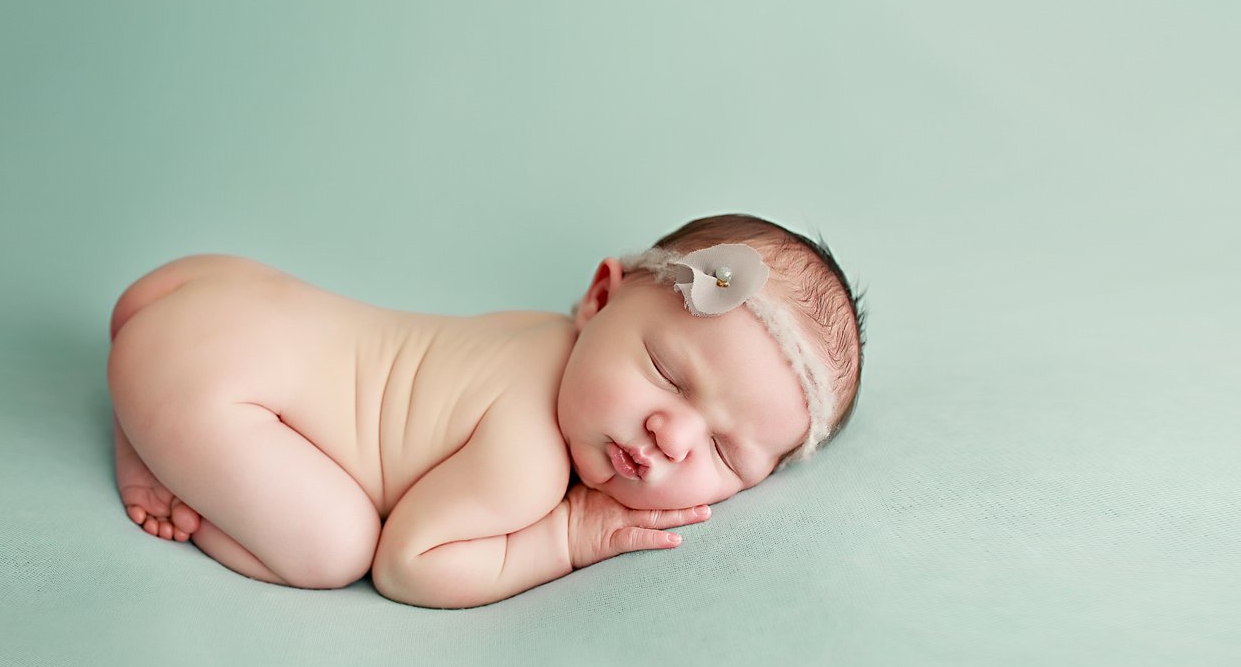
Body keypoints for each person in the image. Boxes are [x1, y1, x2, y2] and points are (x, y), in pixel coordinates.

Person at [106, 213, 866, 608]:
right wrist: (565, 535)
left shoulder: (542, 335)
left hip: (217, 297)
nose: (671, 437)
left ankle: (160, 409)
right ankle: (156, 445)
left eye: (727, 455)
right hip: (207, 372)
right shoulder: (528, 459)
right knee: (333, 549)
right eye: (667, 373)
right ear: (598, 297)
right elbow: (407, 564)